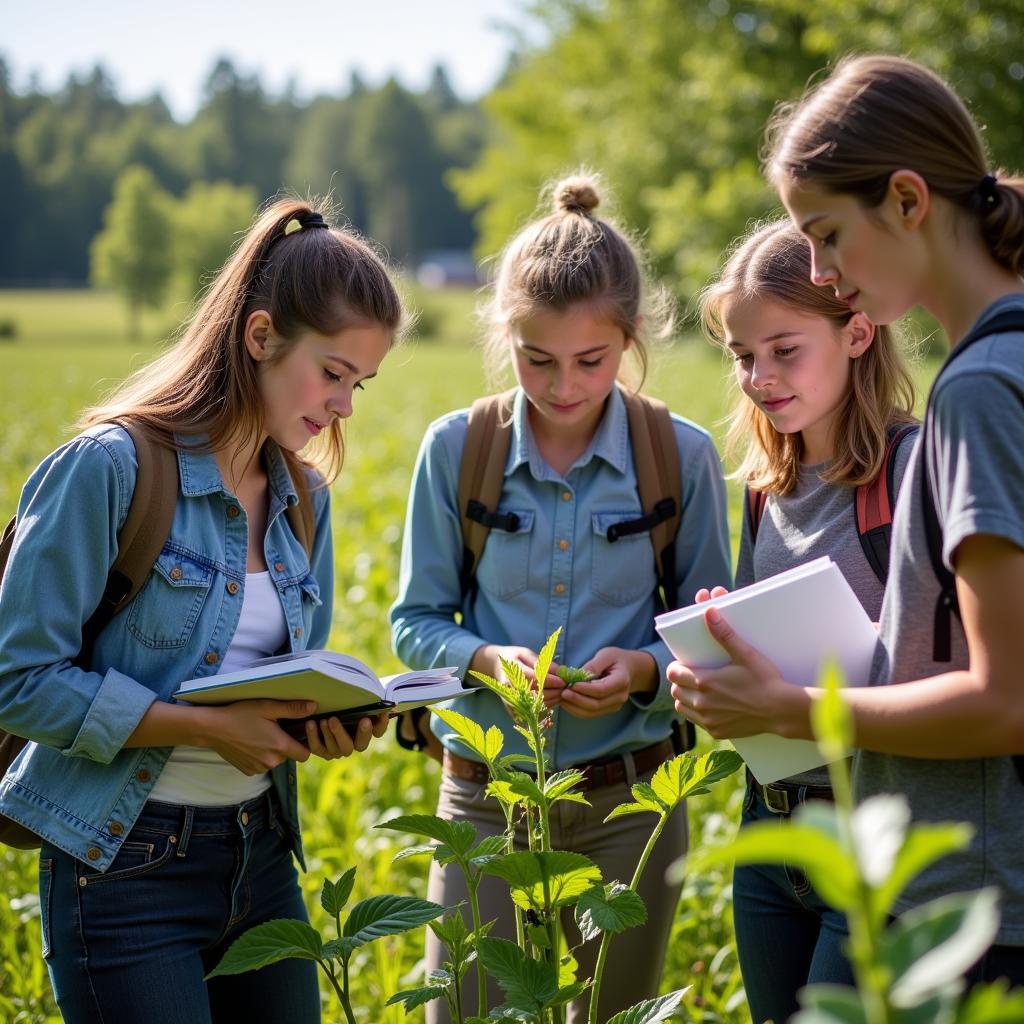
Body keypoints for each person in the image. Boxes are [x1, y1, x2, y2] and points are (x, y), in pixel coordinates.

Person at [0, 198, 405, 1024]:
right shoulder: (111, 469)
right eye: (333, 373)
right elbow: (17, 681)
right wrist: (206, 726)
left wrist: (324, 724)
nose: (345, 407)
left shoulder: (304, 498)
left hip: (262, 863)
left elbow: (282, 683)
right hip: (121, 868)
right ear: (260, 337)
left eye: (359, 383)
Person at [669, 54, 1024, 988]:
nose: (823, 270)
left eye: (826, 235)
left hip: (975, 900)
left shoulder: (980, 391)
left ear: (908, 201)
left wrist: (796, 710)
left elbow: (1008, 697)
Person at [390, 174, 732, 1023]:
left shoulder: (678, 457)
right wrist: (483, 659)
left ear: (631, 341)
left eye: (592, 361)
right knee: (463, 1011)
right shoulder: (456, 449)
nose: (564, 386)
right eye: (537, 360)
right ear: (505, 336)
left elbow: (710, 627)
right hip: (486, 796)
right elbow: (413, 622)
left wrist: (645, 672)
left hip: (630, 801)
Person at [697, 218, 917, 1023]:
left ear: (856, 331)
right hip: (772, 824)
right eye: (744, 356)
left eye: (784, 350)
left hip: (876, 829)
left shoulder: (913, 471)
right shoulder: (765, 486)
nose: (759, 377)